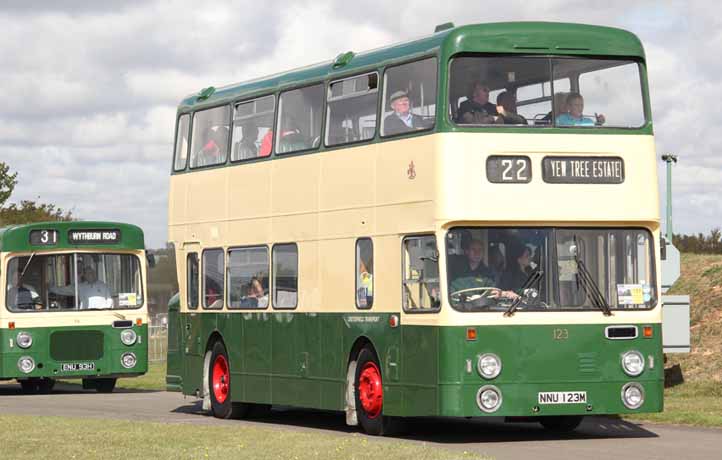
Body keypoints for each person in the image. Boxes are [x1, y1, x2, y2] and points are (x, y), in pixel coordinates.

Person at [449, 238, 518, 300]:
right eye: (473, 249)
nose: (477, 253)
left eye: (480, 250)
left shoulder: (487, 273)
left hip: (477, 308)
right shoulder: (454, 268)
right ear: (467, 251)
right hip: (455, 306)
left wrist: (504, 293)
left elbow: (492, 292)